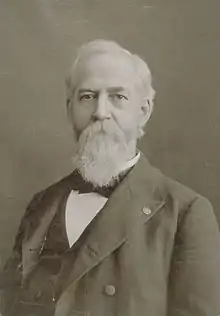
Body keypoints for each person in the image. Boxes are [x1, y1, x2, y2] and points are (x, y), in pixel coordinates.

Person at [1, 39, 220, 316]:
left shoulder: (186, 213)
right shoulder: (41, 205)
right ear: (70, 109)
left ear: (143, 111)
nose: (100, 112)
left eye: (118, 97)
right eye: (87, 96)